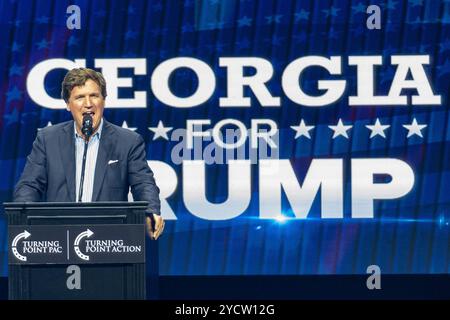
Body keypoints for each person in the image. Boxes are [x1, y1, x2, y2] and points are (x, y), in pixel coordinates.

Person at [13, 68, 164, 240]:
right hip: (58, 239)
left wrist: (151, 212)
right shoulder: (48, 140)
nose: (88, 103)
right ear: (68, 104)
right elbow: (29, 186)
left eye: (94, 95)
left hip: (110, 240)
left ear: (103, 100)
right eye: (79, 97)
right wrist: (22, 217)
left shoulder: (128, 141)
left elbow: (143, 184)